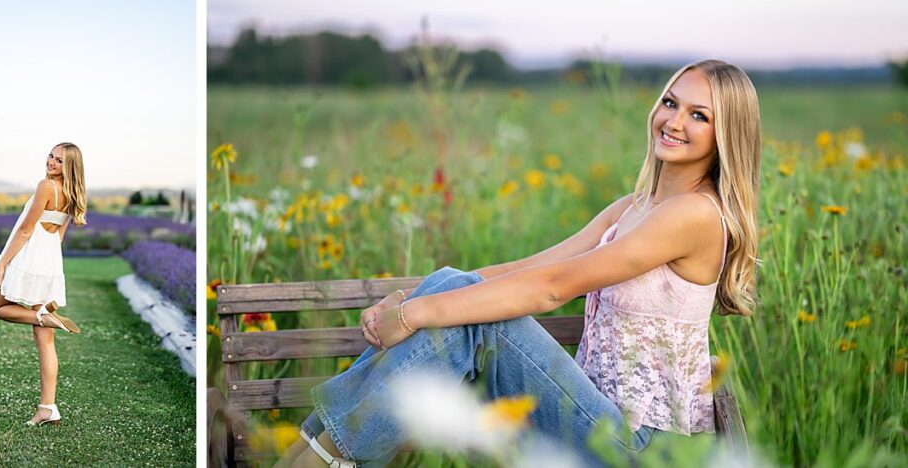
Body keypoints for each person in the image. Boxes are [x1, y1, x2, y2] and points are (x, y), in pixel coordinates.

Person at [277, 59, 761, 467]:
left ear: (727, 136)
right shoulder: (632, 207)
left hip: (643, 448)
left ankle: (324, 455)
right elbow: (530, 266)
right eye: (671, 103)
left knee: (482, 323)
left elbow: (552, 286)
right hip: (593, 420)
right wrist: (410, 297)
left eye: (699, 116)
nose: (674, 122)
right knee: (453, 283)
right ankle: (325, 452)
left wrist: (413, 317)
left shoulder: (695, 215)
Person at [0, 142, 88, 427]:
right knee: (45, 341)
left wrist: (4, 261)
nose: (51, 162)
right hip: (50, 261)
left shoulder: (46, 186)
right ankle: (48, 407)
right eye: (51, 156)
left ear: (69, 166)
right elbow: (59, 236)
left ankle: (42, 316)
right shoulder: (73, 194)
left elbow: (26, 229)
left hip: (28, 257)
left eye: (58, 160)